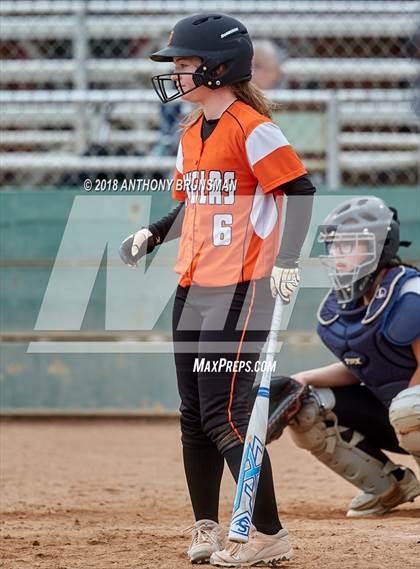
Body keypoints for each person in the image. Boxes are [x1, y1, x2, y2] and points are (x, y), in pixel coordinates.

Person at [119, 13, 315, 566]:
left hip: (240, 286)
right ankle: (207, 526)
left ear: (219, 68)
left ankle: (267, 534)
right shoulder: (190, 132)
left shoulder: (254, 128)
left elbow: (298, 191)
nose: (176, 75)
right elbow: (194, 203)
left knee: (224, 415)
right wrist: (154, 232)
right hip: (194, 281)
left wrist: (288, 259)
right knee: (192, 414)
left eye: (184, 65)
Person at [267, 196, 420, 518]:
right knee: (306, 405)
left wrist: (405, 411)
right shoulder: (348, 303)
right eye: (335, 246)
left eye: (350, 246)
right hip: (401, 419)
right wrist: (303, 379)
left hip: (411, 415)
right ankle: (388, 487)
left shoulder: (409, 295)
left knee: (409, 405)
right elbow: (364, 367)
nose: (338, 255)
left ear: (380, 246)